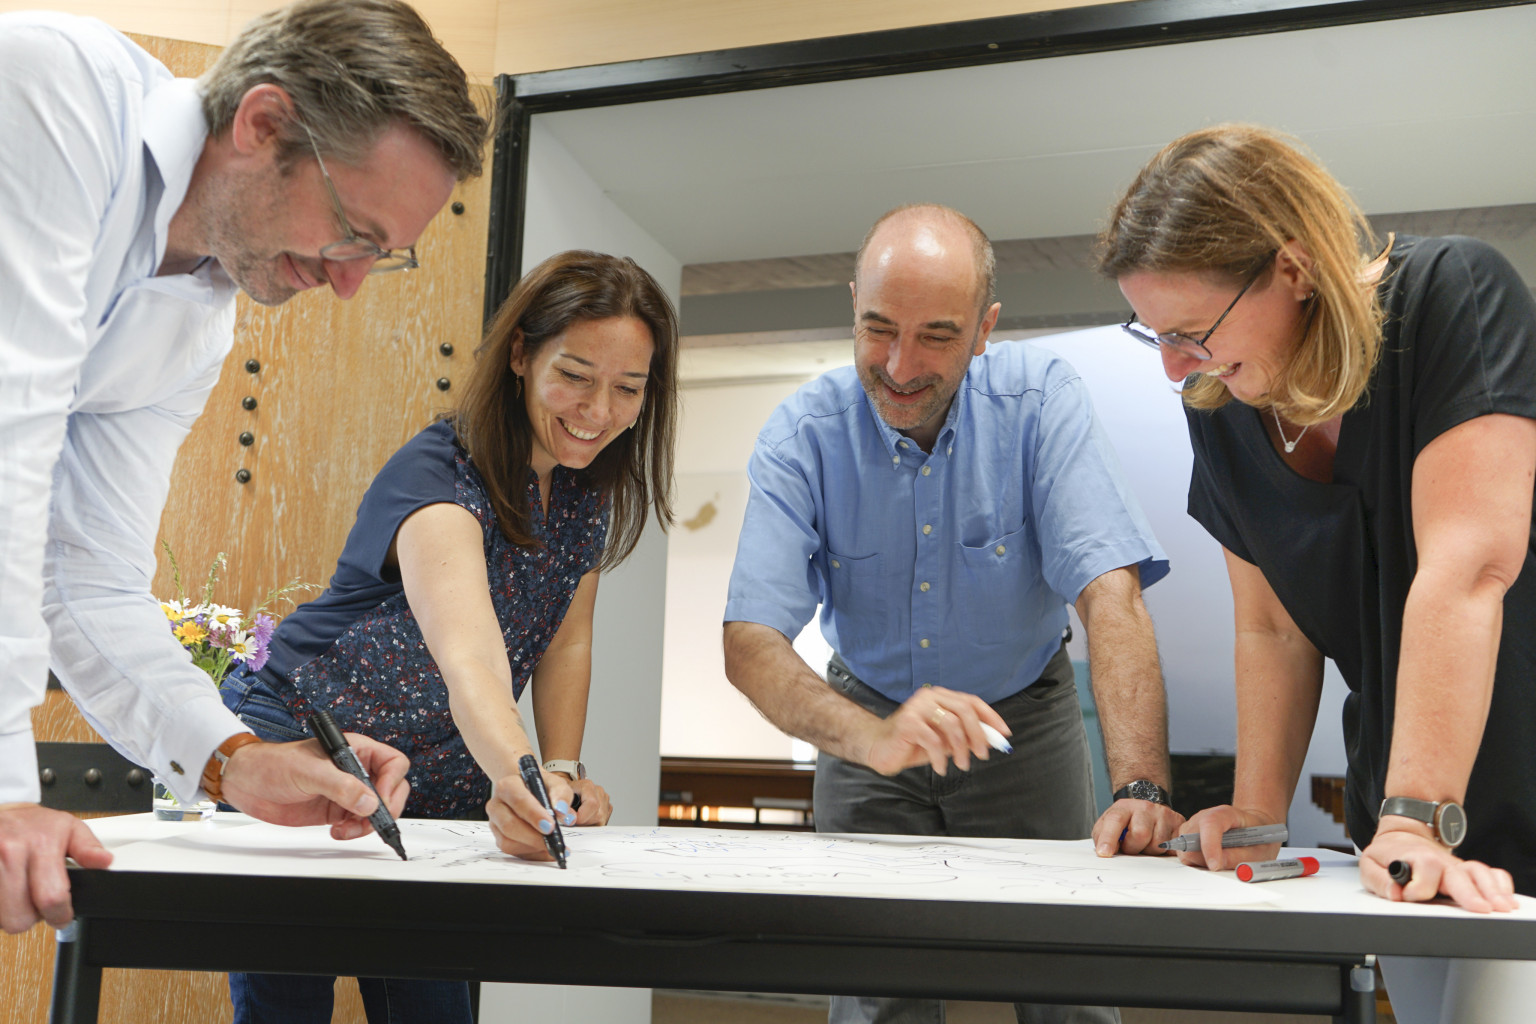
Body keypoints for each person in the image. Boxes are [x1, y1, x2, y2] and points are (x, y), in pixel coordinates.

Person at [0, 0, 488, 936]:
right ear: (262, 124)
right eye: (351, 232)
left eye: (380, 256)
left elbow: (87, 580)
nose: (348, 282)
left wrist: (234, 758)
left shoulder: (196, 326)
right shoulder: (53, 94)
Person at [1096, 123, 1536, 1023]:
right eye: (1156, 336)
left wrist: (1418, 817)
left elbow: (1466, 570)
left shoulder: (1452, 296)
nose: (1176, 366)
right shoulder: (1221, 399)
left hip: (1482, 783)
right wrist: (1256, 819)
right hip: (1402, 808)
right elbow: (1272, 629)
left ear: (1293, 268)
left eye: (1190, 332)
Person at [723, 203, 1183, 1024]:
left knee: (1068, 983)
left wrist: (1141, 785)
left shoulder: (1041, 401)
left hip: (1024, 725)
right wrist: (874, 739)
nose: (900, 366)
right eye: (878, 329)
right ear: (853, 308)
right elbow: (751, 640)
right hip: (867, 726)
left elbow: (1108, 590)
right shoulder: (801, 435)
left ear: (984, 329)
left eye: (936, 335)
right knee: (877, 993)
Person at [217, 249, 678, 1023]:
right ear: (521, 354)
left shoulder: (585, 493)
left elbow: (566, 640)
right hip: (308, 740)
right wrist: (523, 780)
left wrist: (559, 771)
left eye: (628, 388)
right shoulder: (439, 474)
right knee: (287, 1003)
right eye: (575, 375)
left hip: (444, 776)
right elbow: (472, 662)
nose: (598, 411)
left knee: (433, 1007)